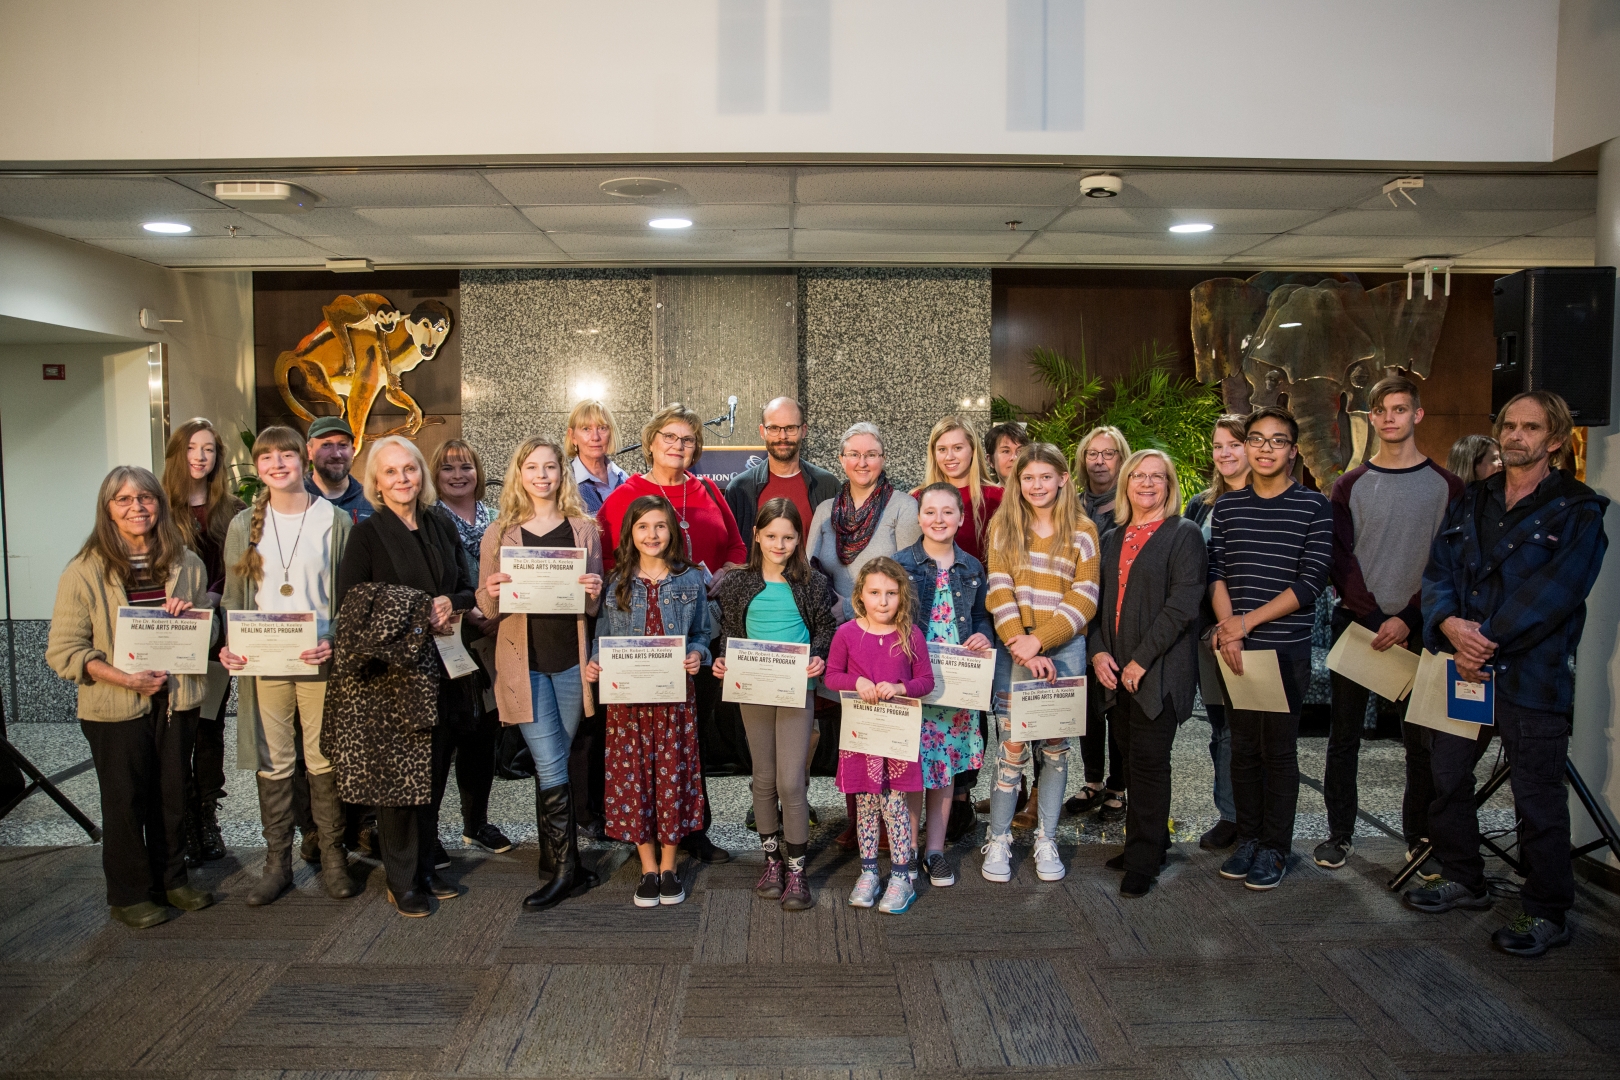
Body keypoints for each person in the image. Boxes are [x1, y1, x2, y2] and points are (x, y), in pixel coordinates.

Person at [1410, 391, 1608, 958]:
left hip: (1533, 674)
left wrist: (1483, 638)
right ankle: (1463, 876)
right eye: (1508, 424)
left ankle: (1547, 909)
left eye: (1530, 427)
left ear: (1554, 439)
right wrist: (1449, 625)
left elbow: (1555, 594)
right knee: (1446, 775)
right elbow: (1438, 571)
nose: (1516, 435)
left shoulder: (1580, 510)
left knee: (1536, 796)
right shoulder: (1471, 500)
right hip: (1465, 667)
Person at [46, 466, 215, 929]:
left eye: (145, 498)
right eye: (123, 500)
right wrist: (126, 679)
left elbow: (209, 632)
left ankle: (172, 880)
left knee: (173, 796)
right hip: (115, 706)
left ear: (159, 504)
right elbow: (65, 652)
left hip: (177, 700)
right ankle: (128, 893)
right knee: (125, 802)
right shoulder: (84, 572)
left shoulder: (187, 564)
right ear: (108, 510)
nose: (136, 507)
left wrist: (196, 617)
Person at [1318, 377, 1463, 871]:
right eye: (1381, 410)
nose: (1390, 418)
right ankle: (1339, 834)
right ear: (1372, 418)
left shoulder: (1448, 486)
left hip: (1424, 631)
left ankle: (1418, 835)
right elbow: (1340, 559)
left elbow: (1451, 562)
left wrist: (1408, 618)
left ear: (1417, 415)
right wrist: (1378, 617)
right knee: (1343, 739)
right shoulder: (1350, 484)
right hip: (1360, 626)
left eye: (1399, 409)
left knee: (1420, 742)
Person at [330, 435, 477, 917]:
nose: (402, 479)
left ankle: (426, 865)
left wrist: (448, 604)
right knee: (399, 782)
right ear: (376, 481)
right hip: (393, 676)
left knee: (433, 772)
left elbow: (464, 588)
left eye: (409, 469)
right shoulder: (367, 535)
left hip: (443, 666)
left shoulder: (439, 525)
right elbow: (354, 608)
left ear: (422, 474)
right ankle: (401, 879)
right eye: (390, 472)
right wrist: (418, 614)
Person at [597, 402, 747, 865]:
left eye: (687, 440)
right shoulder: (626, 495)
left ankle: (691, 830)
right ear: (650, 443)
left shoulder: (706, 489)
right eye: (670, 438)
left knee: (691, 735)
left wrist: (723, 575)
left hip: (696, 630)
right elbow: (606, 558)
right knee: (643, 742)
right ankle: (645, 829)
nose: (678, 447)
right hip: (643, 635)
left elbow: (737, 546)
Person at [219, 426, 357, 905]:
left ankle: (334, 857)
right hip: (265, 661)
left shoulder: (335, 521)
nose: (277, 464)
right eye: (266, 458)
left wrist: (334, 640)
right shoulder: (243, 525)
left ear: (305, 460)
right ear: (257, 468)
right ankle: (277, 861)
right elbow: (235, 601)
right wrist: (231, 645)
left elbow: (347, 598)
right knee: (274, 761)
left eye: (286, 455)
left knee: (322, 758)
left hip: (317, 657)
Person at [477, 436, 605, 910]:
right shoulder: (501, 531)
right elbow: (485, 605)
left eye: (550, 467)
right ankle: (567, 871)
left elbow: (593, 608)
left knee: (559, 756)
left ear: (562, 473)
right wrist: (489, 590)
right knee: (550, 761)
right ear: (519, 474)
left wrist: (594, 589)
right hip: (521, 662)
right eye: (532, 467)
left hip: (571, 660)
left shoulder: (584, 529)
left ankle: (557, 861)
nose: (542, 476)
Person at [1209, 406, 1333, 892]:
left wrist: (1245, 623)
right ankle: (1249, 837)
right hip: (1235, 649)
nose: (1264, 448)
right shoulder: (1229, 507)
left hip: (1283, 649)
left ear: (1293, 451)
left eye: (1276, 441)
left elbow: (1310, 582)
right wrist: (1227, 626)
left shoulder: (1313, 505)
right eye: (1256, 439)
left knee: (1278, 752)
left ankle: (1276, 848)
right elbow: (1215, 572)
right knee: (1242, 749)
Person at [981, 443, 1101, 884]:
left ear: (1063, 479)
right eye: (1027, 478)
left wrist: (1042, 642)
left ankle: (1046, 838)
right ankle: (997, 839)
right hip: (1016, 646)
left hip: (1064, 647)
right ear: (1018, 482)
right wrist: (1021, 643)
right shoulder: (1004, 526)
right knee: (1011, 747)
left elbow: (1085, 597)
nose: (1036, 485)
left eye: (1045, 477)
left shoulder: (1083, 531)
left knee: (1053, 749)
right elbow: (998, 588)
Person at [1089, 450, 1206, 898]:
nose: (1147, 483)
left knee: (1150, 764)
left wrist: (1140, 660)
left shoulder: (1185, 534)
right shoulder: (1112, 537)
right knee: (1131, 762)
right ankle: (1149, 842)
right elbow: (1093, 606)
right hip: (1116, 673)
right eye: (1139, 475)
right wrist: (1100, 655)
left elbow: (1182, 605)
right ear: (1126, 483)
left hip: (1158, 671)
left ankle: (1143, 860)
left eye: (1158, 477)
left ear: (1169, 485)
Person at [711, 498, 838, 911]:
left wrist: (819, 654)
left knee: (790, 781)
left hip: (795, 690)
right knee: (763, 778)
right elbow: (729, 633)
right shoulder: (738, 583)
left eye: (787, 537)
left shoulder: (813, 584)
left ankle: (797, 869)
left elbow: (825, 629)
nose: (779, 544)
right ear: (757, 536)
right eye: (770, 536)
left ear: (799, 538)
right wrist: (723, 659)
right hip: (753, 689)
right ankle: (771, 861)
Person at [586, 495, 711, 908]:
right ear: (630, 534)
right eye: (642, 527)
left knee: (673, 774)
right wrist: (595, 663)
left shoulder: (690, 580)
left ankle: (671, 865)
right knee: (634, 776)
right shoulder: (616, 581)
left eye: (660, 526)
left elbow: (702, 634)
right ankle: (648, 868)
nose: (652, 534)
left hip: (675, 702)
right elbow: (603, 638)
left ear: (671, 531)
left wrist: (698, 654)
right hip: (628, 706)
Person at [806, 421, 921, 847]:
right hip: (841, 637)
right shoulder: (825, 512)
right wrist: (833, 607)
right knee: (850, 734)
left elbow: (908, 575)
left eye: (870, 454)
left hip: (887, 635)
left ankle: (894, 825)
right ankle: (859, 821)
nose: (861, 462)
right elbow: (809, 571)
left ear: (883, 459)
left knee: (888, 732)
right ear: (841, 460)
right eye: (853, 454)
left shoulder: (903, 507)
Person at [894, 483, 991, 886]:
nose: (938, 520)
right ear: (919, 518)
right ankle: (908, 850)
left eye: (947, 512)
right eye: (930, 512)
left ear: (961, 518)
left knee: (946, 771)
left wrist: (984, 635)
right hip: (915, 685)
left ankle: (935, 851)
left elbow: (982, 617)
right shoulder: (901, 564)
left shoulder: (971, 567)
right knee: (914, 769)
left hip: (957, 689)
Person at [824, 557, 933, 914]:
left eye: (890, 593)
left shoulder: (911, 634)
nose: (883, 601)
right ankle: (869, 872)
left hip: (897, 739)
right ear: (860, 595)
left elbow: (925, 682)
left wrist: (900, 686)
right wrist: (857, 681)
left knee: (896, 807)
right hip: (861, 740)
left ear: (902, 596)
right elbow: (831, 677)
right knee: (866, 806)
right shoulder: (847, 634)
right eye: (874, 593)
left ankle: (902, 877)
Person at [160, 417, 244, 867]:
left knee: (209, 727)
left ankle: (206, 815)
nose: (200, 456)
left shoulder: (231, 509)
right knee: (175, 729)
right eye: (192, 447)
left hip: (215, 633)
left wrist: (213, 597)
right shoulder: (155, 505)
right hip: (168, 633)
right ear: (178, 453)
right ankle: (180, 822)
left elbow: (238, 566)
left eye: (209, 449)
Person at [431, 438, 512, 855]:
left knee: (483, 734)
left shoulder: (500, 519)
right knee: (445, 736)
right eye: (448, 468)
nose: (458, 475)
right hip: (450, 639)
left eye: (465, 467)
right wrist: (471, 607)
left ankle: (475, 823)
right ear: (435, 475)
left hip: (494, 637)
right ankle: (430, 833)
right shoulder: (428, 521)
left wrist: (497, 611)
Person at [1180, 415, 1249, 850]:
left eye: (1234, 445)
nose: (1224, 453)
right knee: (1221, 729)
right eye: (1218, 445)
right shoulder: (1200, 504)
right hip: (1209, 635)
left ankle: (1256, 815)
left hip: (1259, 629)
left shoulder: (1268, 501)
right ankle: (1231, 814)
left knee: (1254, 731)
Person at [1071, 425, 1131, 824]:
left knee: (1119, 708)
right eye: (1093, 454)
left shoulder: (1131, 505)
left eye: (1108, 454)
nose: (1100, 461)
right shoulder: (1072, 504)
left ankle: (1118, 787)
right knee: (1086, 709)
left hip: (1119, 621)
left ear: (1121, 459)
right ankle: (1092, 782)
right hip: (1078, 621)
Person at [725, 396, 841, 542]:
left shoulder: (828, 486)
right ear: (762, 431)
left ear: (803, 430)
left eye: (790, 428)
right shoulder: (739, 489)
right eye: (773, 428)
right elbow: (731, 549)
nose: (782, 436)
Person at [917, 415, 1003, 563]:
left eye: (957, 448)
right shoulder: (917, 498)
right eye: (942, 449)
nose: (949, 456)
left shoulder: (997, 497)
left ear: (973, 450)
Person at [304, 416, 373, 523]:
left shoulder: (371, 503)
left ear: (353, 452)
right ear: (309, 452)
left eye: (343, 445)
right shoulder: (295, 499)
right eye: (326, 445)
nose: (336, 454)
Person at [566, 399, 630, 514]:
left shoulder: (624, 479)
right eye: (586, 429)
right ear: (573, 436)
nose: (595, 437)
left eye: (602, 428)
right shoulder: (564, 483)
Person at [984, 421, 1030, 486]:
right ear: (990, 460)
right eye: (1006, 451)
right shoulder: (986, 495)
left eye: (1020, 451)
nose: (1014, 458)